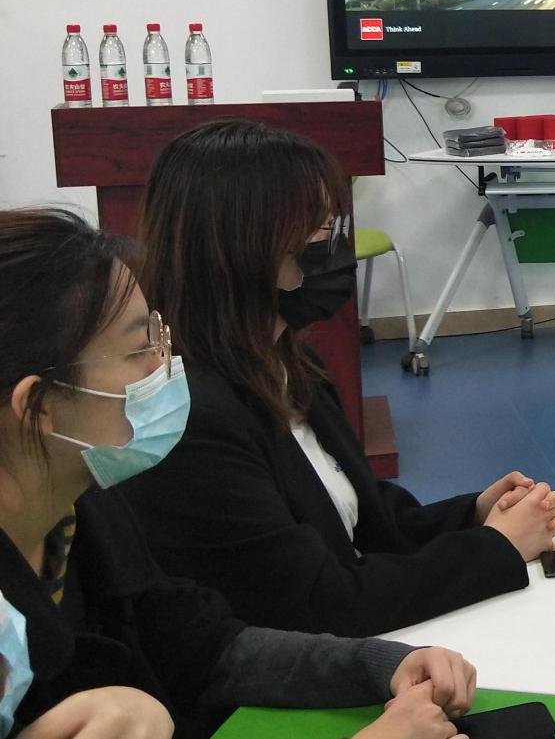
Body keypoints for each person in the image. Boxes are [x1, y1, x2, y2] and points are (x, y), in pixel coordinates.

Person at [0, 207, 475, 739]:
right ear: (39, 407)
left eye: (158, 335)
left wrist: (376, 664)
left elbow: (200, 645)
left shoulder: (83, 504)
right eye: (138, 349)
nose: (165, 365)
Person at [120, 120, 555, 638]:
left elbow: (356, 513)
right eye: (317, 229)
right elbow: (324, 605)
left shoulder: (286, 363)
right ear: (241, 244)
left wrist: (472, 513)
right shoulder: (194, 418)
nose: (335, 245)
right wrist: (497, 548)